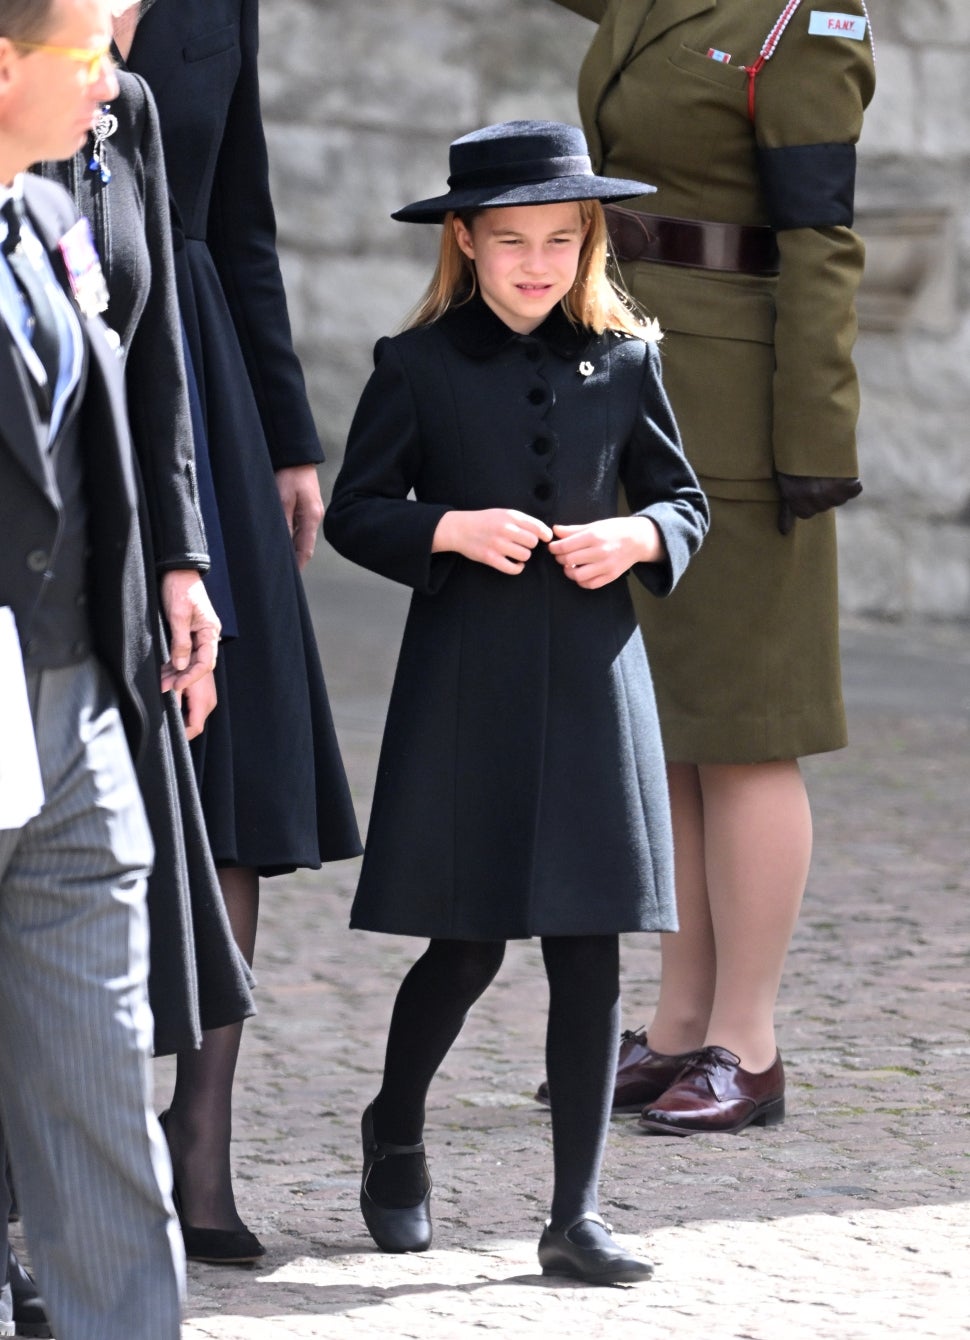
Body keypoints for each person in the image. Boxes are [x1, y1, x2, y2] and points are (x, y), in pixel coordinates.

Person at [324, 120, 708, 1285]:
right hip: (467, 683)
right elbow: (354, 509)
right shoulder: (418, 363)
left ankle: (574, 1212)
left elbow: (684, 500)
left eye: (557, 238)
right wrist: (443, 524)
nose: (535, 262)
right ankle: (394, 1127)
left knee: (591, 948)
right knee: (468, 941)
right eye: (510, 241)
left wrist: (637, 532)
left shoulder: (629, 360)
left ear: (587, 238)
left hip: (595, 680)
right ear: (466, 242)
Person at [541, 0, 876, 1133]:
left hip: (738, 410)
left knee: (743, 727)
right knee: (673, 726)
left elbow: (822, 237)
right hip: (634, 384)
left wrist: (814, 439)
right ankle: (681, 1024)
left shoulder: (808, 26)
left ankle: (749, 1039)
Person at [118, 0, 362, 1261]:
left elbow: (244, 215)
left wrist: (285, 434)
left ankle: (197, 1146)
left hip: (205, 382)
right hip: (55, 345)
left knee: (231, 760)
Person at [0, 0, 192, 1335]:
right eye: (85, 53)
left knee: (104, 1105)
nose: (110, 79)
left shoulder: (55, 219)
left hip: (77, 712)